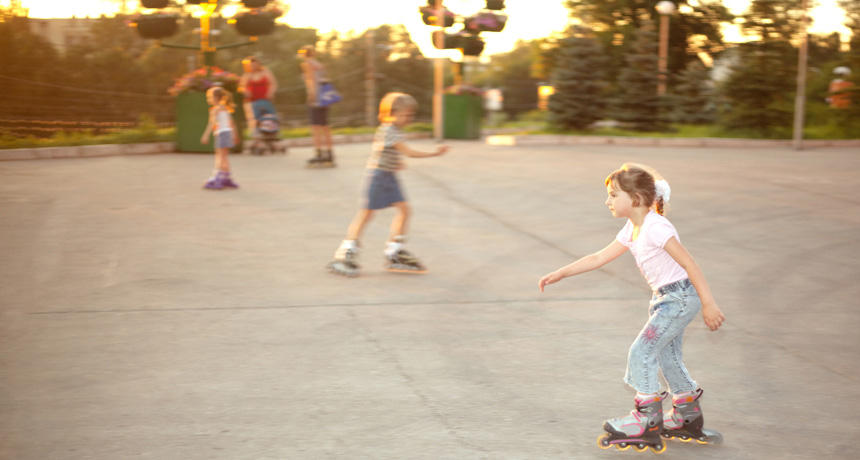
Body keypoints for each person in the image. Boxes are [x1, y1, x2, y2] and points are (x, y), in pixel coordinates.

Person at [538, 163, 725, 452]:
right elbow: (598, 257)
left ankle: (646, 419)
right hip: (666, 299)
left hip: (679, 299)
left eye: (613, 195)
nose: (608, 201)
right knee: (666, 356)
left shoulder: (656, 227)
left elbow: (690, 264)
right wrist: (561, 273)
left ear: (635, 198)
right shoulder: (633, 227)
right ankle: (686, 415)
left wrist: (709, 304)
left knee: (642, 352)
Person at [328, 92, 449, 277]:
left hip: (389, 176)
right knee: (367, 214)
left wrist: (396, 163)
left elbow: (387, 151)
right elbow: (407, 151)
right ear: (391, 113)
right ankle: (346, 252)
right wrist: (434, 153)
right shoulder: (388, 130)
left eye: (411, 115)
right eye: (406, 115)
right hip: (378, 177)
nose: (409, 119)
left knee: (405, 210)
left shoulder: (394, 129)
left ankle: (395, 251)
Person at [298, 45, 335, 168]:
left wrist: (311, 96)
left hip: (316, 98)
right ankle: (329, 153)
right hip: (325, 98)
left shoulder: (307, 65)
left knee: (315, 127)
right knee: (325, 127)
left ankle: (319, 153)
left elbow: (311, 81)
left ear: (304, 54)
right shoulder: (319, 65)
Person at [200, 86, 240, 190]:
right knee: (224, 156)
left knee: (219, 156)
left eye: (210, 97)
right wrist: (235, 135)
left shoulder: (215, 110)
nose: (209, 100)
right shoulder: (225, 108)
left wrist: (205, 135)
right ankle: (227, 177)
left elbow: (211, 124)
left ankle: (216, 177)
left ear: (216, 98)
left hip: (222, 134)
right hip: (228, 133)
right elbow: (232, 123)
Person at [238, 56, 278, 133]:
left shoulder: (265, 71)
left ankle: (271, 135)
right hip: (253, 101)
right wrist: (246, 91)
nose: (253, 67)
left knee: (270, 118)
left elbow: (273, 83)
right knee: (255, 120)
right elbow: (242, 87)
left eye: (254, 64)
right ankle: (257, 137)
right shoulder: (247, 75)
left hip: (266, 100)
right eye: (251, 65)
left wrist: (270, 93)